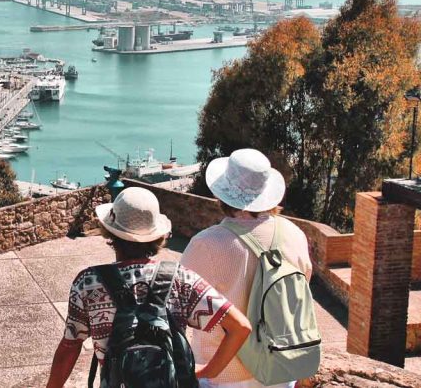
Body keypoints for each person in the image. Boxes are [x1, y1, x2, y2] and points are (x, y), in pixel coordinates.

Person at [46, 187, 252, 388]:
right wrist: (206, 372)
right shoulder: (181, 279)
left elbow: (70, 346)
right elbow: (240, 327)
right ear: (158, 235)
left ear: (109, 232)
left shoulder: (88, 283)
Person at [180, 149, 313, 388]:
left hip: (224, 375)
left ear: (223, 194)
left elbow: (180, 307)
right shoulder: (295, 235)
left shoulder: (206, 244)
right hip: (280, 369)